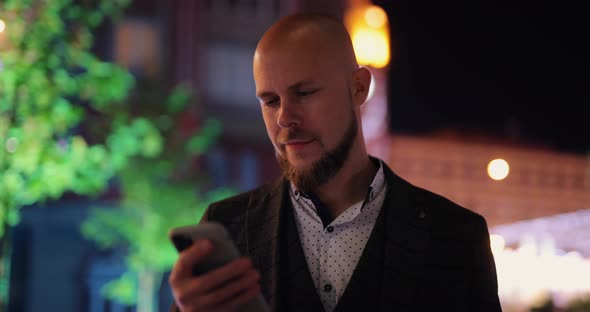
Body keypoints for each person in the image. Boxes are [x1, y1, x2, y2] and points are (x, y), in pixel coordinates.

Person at [169, 13, 501, 312]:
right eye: (270, 101)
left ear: (358, 88)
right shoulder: (227, 227)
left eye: (304, 93)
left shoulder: (456, 237)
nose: (285, 118)